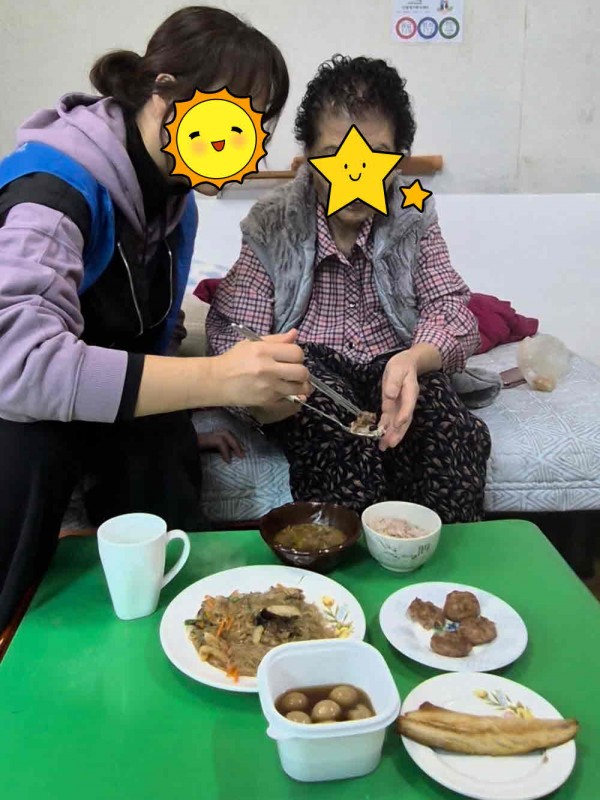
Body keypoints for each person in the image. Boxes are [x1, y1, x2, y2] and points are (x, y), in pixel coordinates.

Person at [0, 6, 312, 631]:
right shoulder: (54, 188)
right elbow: (19, 364)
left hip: (96, 402)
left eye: (259, 125)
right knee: (31, 448)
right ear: (164, 91)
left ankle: (178, 633)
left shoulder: (175, 204)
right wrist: (216, 379)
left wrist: (184, 409)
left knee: (164, 445)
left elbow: (153, 337)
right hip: (23, 409)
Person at [206, 55, 492, 520]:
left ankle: (439, 565)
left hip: (395, 362)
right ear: (308, 156)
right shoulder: (272, 222)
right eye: (336, 155)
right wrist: (268, 392)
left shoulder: (413, 213)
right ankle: (345, 566)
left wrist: (413, 360)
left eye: (376, 154)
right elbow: (232, 333)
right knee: (339, 442)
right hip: (311, 369)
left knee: (451, 433)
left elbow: (453, 310)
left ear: (397, 158)